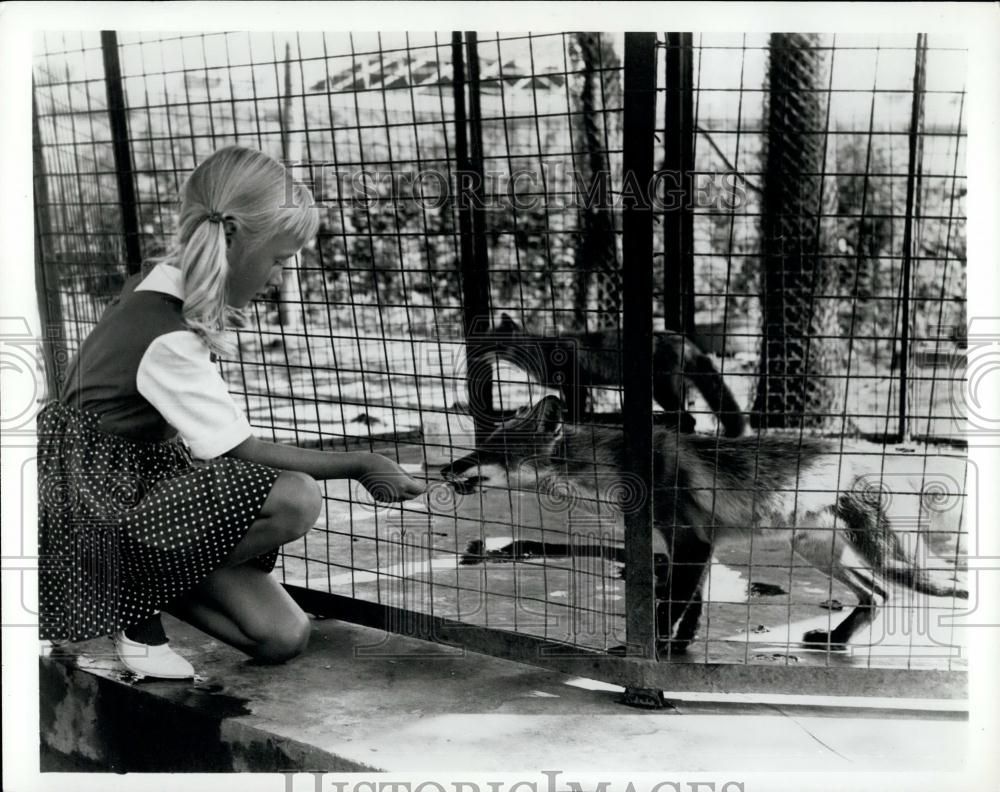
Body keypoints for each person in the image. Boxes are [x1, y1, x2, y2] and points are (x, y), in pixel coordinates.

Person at [37, 145, 425, 679]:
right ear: (237, 236)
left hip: (129, 495)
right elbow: (240, 450)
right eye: (279, 260)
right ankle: (129, 603)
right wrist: (363, 462)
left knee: (281, 636)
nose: (276, 277)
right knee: (294, 495)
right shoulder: (164, 332)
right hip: (99, 511)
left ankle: (144, 587)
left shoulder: (156, 289)